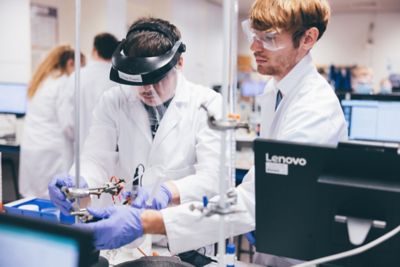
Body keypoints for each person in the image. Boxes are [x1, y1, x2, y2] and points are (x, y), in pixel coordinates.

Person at [66, 1, 349, 265]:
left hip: (299, 254)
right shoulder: (275, 92)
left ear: (308, 39)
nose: (253, 46)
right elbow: (265, 184)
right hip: (269, 243)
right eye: (253, 34)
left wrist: (148, 217)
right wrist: (78, 181)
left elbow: (255, 198)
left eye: (269, 38)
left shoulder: (314, 108)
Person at [48, 16, 222, 253]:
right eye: (139, 79)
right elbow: (96, 157)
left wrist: (167, 191)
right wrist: (80, 182)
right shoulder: (114, 100)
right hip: (128, 239)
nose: (146, 89)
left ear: (179, 63)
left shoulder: (208, 104)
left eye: (156, 78)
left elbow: (216, 178)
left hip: (184, 241)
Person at [19, 45, 85, 198]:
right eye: (81, 67)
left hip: (32, 148)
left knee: (33, 201)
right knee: (54, 201)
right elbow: (68, 125)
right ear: (70, 63)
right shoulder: (63, 83)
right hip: (52, 152)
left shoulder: (42, 80)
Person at [60, 33, 119, 146]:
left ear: (94, 51)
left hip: (83, 149)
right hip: (113, 150)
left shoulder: (77, 77)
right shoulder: (120, 80)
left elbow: (67, 123)